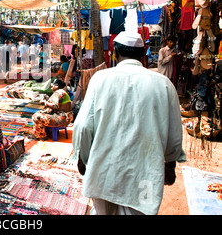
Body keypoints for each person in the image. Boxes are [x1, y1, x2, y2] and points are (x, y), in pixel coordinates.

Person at [72, 31, 183, 215]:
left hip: (103, 171)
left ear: (115, 53)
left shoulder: (100, 79)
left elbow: (83, 126)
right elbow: (174, 135)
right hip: (144, 176)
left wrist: (83, 158)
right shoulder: (164, 85)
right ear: (143, 53)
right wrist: (170, 164)